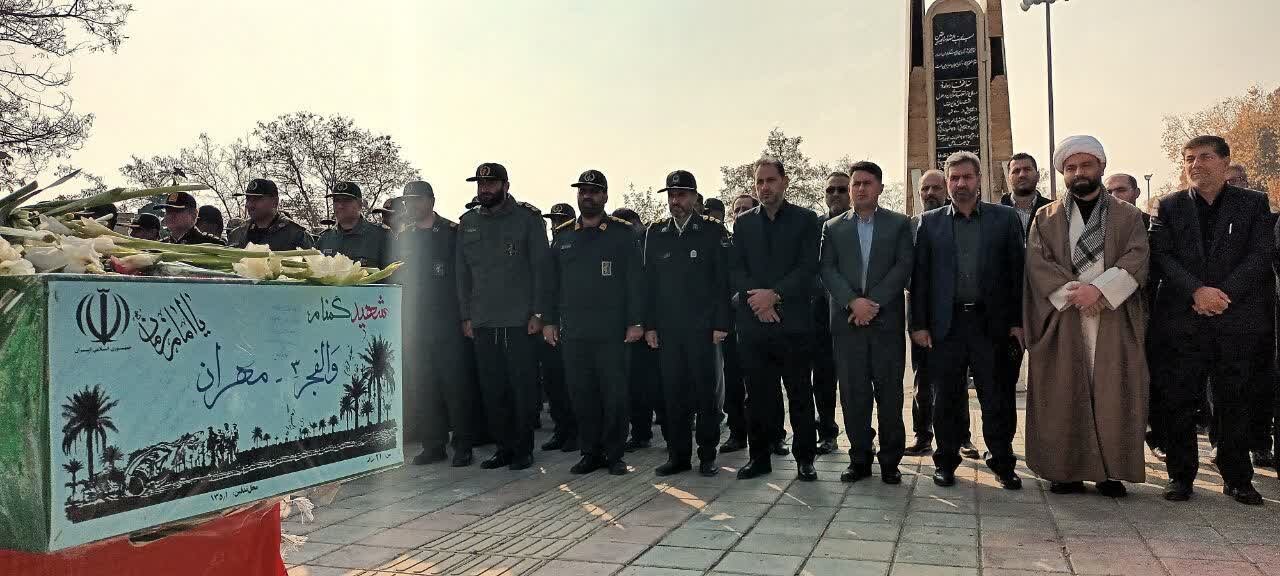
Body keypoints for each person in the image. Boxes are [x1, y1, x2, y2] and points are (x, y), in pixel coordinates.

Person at [1023, 136, 1150, 497]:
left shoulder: (1128, 216)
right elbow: (1038, 264)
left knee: (1113, 394)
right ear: (1063, 172)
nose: (1079, 172)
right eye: (1072, 167)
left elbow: (1137, 256)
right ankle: (1066, 471)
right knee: (1064, 393)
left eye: (1086, 165)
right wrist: (1077, 295)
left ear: (1101, 167)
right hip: (1065, 318)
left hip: (1113, 317)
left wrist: (1100, 292)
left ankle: (1110, 472)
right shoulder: (1045, 217)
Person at [1150, 136, 1273, 505]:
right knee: (1179, 401)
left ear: (1225, 162)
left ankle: (1237, 478)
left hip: (1235, 321)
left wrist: (1222, 295)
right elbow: (1161, 256)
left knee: (1234, 401)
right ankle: (1180, 476)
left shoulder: (1252, 204)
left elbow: (1260, 254)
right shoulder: (1169, 206)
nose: (1196, 165)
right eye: (1189, 158)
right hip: (1183, 321)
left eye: (1204, 157)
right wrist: (1196, 292)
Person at [910, 151, 1026, 490]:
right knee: (946, 399)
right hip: (946, 326)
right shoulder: (929, 223)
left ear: (979, 180)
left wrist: (1018, 322)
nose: (961, 183)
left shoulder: (1004, 219)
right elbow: (920, 278)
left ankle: (1002, 461)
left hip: (991, 324)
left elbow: (1018, 274)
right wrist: (918, 325)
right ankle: (946, 462)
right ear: (947, 182)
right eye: (954, 178)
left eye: (967, 177)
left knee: (996, 397)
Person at [540, 170, 644, 475]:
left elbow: (635, 281)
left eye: (594, 191)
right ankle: (590, 452)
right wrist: (549, 321)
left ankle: (614, 454)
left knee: (614, 395)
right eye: (583, 191)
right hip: (575, 331)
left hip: (612, 331)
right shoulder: (563, 236)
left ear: (605, 196)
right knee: (582, 394)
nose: (587, 196)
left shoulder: (622, 234)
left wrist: (636, 322)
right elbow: (550, 284)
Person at [819, 161, 913, 484]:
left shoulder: (899, 224)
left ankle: (890, 461)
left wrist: (871, 304)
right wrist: (853, 302)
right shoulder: (833, 228)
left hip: (885, 323)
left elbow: (903, 266)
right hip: (848, 325)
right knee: (853, 395)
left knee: (890, 395)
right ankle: (859, 458)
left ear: (880, 188)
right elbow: (827, 269)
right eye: (855, 183)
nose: (860, 188)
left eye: (867, 183)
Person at [730, 157, 821, 481]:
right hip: (755, 324)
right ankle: (759, 458)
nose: (764, 187)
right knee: (757, 396)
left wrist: (776, 295)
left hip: (793, 323)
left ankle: (805, 459)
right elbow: (736, 269)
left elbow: (808, 268)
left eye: (770, 180)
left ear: (784, 181)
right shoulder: (743, 223)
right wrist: (759, 301)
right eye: (759, 182)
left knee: (799, 394)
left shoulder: (806, 220)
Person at [456, 163, 548, 471]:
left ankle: (523, 449)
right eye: (480, 184)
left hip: (519, 320)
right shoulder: (468, 222)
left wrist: (538, 312)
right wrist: (466, 316)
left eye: (491, 183)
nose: (485, 189)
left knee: (521, 388)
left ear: (506, 186)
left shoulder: (527, 219)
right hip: (483, 320)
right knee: (493, 390)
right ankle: (503, 448)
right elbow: (462, 275)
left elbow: (541, 269)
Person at [644, 169, 731, 477]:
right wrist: (650, 326)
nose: (675, 201)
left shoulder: (711, 231)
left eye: (681, 195)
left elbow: (722, 281)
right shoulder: (656, 233)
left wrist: (721, 323)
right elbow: (649, 284)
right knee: (673, 394)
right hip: (669, 330)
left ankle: (707, 455)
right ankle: (678, 455)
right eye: (671, 195)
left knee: (706, 394)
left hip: (703, 329)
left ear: (694, 197)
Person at [397, 181, 474, 467]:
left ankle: (463, 444)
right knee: (424, 386)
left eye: (417, 199)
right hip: (416, 324)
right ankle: (433, 444)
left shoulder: (452, 232)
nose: (412, 205)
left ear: (431, 200)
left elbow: (464, 277)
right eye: (407, 201)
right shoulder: (404, 237)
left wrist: (466, 317)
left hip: (448, 322)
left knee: (456, 386)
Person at [905, 170, 976, 458]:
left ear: (945, 190)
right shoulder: (910, 226)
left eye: (935, 188)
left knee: (955, 381)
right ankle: (922, 436)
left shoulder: (954, 222)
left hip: (954, 318)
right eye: (925, 189)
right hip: (922, 315)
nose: (930, 193)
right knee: (922, 379)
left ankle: (963, 438)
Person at [612, 207, 659, 450]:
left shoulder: (651, 244)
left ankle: (655, 433)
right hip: (625, 325)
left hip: (650, 325)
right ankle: (640, 432)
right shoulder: (619, 246)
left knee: (650, 383)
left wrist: (645, 323)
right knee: (633, 384)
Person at [812, 172, 850, 456]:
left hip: (853, 313)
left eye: (841, 189)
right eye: (830, 190)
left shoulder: (861, 224)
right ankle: (826, 432)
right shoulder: (813, 227)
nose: (835, 194)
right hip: (820, 315)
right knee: (823, 379)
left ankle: (863, 435)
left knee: (856, 380)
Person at [537, 202, 579, 453]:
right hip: (553, 325)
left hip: (574, 325)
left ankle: (576, 432)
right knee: (553, 383)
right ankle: (561, 429)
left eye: (561, 220)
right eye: (553, 220)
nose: (556, 225)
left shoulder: (577, 244)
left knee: (572, 384)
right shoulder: (552, 248)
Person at [719, 193, 757, 454]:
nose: (741, 213)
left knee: (761, 384)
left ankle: (772, 435)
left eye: (746, 209)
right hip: (731, 324)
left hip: (759, 320)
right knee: (733, 382)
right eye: (737, 210)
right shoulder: (725, 244)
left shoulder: (761, 243)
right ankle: (737, 433)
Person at [315, 182, 391, 268]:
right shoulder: (325, 239)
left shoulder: (381, 236)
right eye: (336, 200)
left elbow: (394, 274)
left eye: (347, 200)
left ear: (360, 205)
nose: (340, 206)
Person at [228, 179, 314, 250]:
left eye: (257, 199)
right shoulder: (237, 234)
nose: (249, 205)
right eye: (248, 199)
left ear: (275, 202)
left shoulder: (296, 235)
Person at [1000, 153, 1053, 236]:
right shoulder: (995, 214)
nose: (1022, 175)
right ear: (1008, 178)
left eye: (1027, 169)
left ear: (1038, 176)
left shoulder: (1053, 211)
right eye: (1016, 171)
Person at [157, 192, 226, 245]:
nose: (171, 215)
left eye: (177, 211)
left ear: (193, 214)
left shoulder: (212, 245)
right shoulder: (158, 247)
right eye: (168, 211)